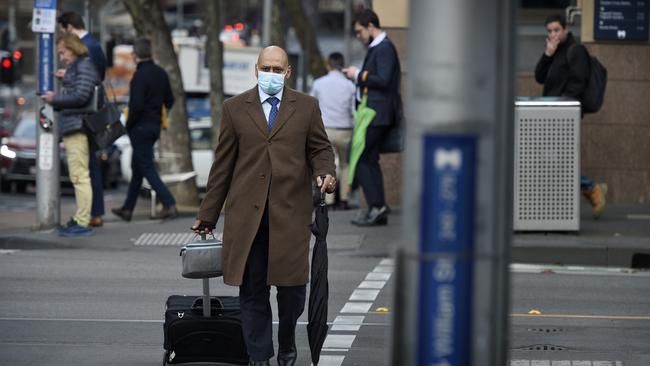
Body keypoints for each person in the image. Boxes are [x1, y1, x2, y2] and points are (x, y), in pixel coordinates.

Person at [191, 46, 336, 366]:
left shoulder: (307, 107)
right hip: (247, 217)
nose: (271, 74)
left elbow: (320, 149)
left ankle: (286, 341)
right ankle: (259, 355)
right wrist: (207, 214)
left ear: (288, 73)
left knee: (292, 289)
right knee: (252, 289)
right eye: (266, 68)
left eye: (277, 69)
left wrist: (326, 173)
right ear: (256, 70)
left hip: (290, 214)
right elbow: (222, 165)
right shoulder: (234, 108)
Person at [534, 14, 606, 218]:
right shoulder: (554, 51)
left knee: (556, 162)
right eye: (549, 31)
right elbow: (539, 77)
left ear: (566, 29)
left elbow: (578, 82)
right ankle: (589, 187)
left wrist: (562, 108)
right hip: (551, 114)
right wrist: (547, 54)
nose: (553, 34)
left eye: (556, 30)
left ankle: (591, 187)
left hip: (565, 115)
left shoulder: (576, 51)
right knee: (552, 162)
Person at [343, 8, 402, 226]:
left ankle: (377, 206)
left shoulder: (383, 47)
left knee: (361, 158)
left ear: (370, 27)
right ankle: (377, 206)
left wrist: (358, 75)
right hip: (377, 113)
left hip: (378, 114)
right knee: (368, 158)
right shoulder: (380, 47)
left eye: (359, 31)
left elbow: (384, 79)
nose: (358, 36)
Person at [111, 38, 177, 222]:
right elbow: (170, 100)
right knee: (137, 167)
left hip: (140, 127)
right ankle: (127, 208)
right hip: (155, 126)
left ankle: (168, 202)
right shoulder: (161, 73)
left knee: (146, 166)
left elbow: (136, 106)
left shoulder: (139, 76)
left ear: (135, 55)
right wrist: (157, 114)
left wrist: (128, 125)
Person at [40, 33, 100, 237]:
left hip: (77, 126)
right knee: (79, 175)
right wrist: (65, 76)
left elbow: (81, 95)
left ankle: (82, 221)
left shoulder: (83, 65)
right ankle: (80, 218)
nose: (62, 56)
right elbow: (80, 87)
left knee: (79, 176)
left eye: (63, 51)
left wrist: (55, 98)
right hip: (75, 125)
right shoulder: (80, 66)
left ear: (73, 49)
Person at [57, 11, 108, 227]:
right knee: (85, 168)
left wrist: (59, 95)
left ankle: (89, 214)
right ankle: (90, 213)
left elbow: (88, 86)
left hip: (83, 119)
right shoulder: (91, 47)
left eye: (63, 52)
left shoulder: (89, 48)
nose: (62, 56)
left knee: (84, 169)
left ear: (69, 28)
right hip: (84, 118)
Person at [310, 52, 356, 210]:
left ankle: (328, 201)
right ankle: (344, 199)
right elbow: (353, 111)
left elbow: (312, 108)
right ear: (342, 65)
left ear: (328, 64)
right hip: (345, 130)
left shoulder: (318, 83)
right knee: (345, 165)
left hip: (325, 130)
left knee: (329, 163)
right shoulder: (350, 86)